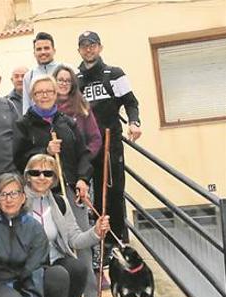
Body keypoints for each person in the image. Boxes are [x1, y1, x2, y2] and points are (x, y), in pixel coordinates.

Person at [23, 155, 110, 297]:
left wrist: (96, 232)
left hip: (54, 259)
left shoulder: (60, 202)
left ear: (54, 178)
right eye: (35, 172)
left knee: (77, 267)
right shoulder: (17, 202)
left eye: (48, 173)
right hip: (30, 264)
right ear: (27, 176)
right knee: (59, 273)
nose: (41, 177)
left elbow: (75, 239)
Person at [76, 30, 141, 244]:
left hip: (110, 144)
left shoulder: (114, 74)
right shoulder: (75, 80)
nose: (88, 48)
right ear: (79, 50)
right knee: (88, 195)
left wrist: (134, 122)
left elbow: (131, 102)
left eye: (92, 44)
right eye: (84, 45)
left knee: (113, 193)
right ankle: (95, 243)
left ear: (100, 47)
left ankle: (116, 242)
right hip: (86, 147)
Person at [53, 64, 103, 297]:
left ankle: (91, 295)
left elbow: (93, 141)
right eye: (58, 80)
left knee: (83, 237)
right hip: (51, 185)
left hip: (77, 183)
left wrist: (83, 167)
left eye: (66, 80)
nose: (62, 83)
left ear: (72, 83)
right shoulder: (45, 113)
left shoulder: (80, 108)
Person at [13, 75, 93, 204]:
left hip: (72, 190)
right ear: (33, 96)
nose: (45, 96)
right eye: (39, 92)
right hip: (40, 193)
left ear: (55, 94)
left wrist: (83, 179)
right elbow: (19, 160)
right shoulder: (23, 124)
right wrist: (45, 152)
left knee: (77, 224)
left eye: (49, 91)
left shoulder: (67, 122)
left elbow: (83, 153)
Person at [54, 65, 101, 160]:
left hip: (77, 163)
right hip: (53, 163)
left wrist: (86, 157)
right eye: (60, 80)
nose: (64, 83)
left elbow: (95, 138)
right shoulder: (47, 107)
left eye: (68, 81)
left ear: (73, 84)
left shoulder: (82, 107)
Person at [21, 32, 62, 115]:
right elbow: (27, 106)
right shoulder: (29, 76)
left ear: (54, 50)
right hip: (39, 124)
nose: (43, 52)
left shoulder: (65, 71)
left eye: (46, 48)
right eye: (39, 49)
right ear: (34, 53)